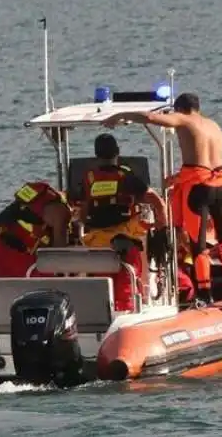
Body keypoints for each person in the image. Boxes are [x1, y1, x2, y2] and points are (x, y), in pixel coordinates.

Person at [101, 93, 222, 303]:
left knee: (197, 244)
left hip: (199, 188)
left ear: (180, 109)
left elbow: (150, 118)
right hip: (221, 184)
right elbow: (207, 161)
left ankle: (204, 294)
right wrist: (177, 178)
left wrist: (119, 116)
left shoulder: (183, 119)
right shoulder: (213, 125)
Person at [78, 133, 169, 312]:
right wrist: (162, 227)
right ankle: (137, 302)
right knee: (130, 276)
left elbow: (84, 211)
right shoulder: (126, 176)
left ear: (96, 155)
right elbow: (156, 200)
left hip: (97, 241)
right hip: (126, 237)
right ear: (117, 152)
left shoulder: (88, 178)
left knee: (103, 282)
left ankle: (102, 311)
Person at [0, 181, 72, 278]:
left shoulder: (47, 198)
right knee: (41, 283)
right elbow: (59, 254)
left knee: (10, 287)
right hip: (13, 246)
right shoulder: (61, 213)